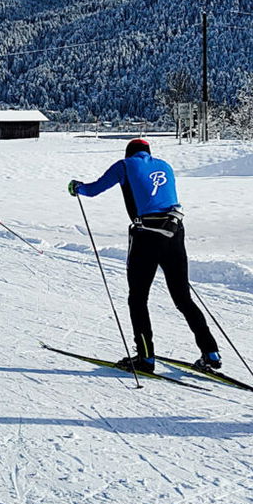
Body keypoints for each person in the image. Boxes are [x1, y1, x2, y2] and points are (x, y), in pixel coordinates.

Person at [68, 139, 221, 373]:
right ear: (149, 153)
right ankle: (211, 353)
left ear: (129, 153)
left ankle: (145, 358)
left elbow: (94, 189)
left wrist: (76, 187)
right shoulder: (165, 166)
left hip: (146, 235)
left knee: (138, 299)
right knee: (183, 298)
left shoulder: (124, 165)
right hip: (174, 232)